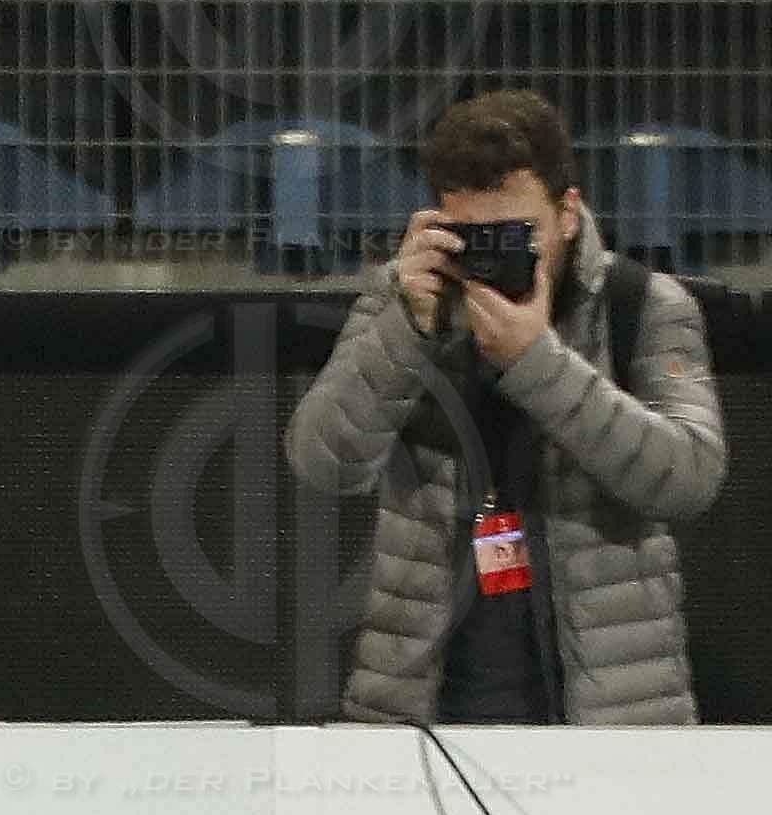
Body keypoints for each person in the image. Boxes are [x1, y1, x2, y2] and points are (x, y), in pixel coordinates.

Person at [283, 87, 727, 726]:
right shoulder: (405, 301)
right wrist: (406, 327)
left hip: (613, 716)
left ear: (567, 212)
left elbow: (689, 478)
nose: (495, 254)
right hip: (423, 711)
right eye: (472, 234)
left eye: (517, 233)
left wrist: (537, 363)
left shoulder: (641, 306)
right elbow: (323, 463)